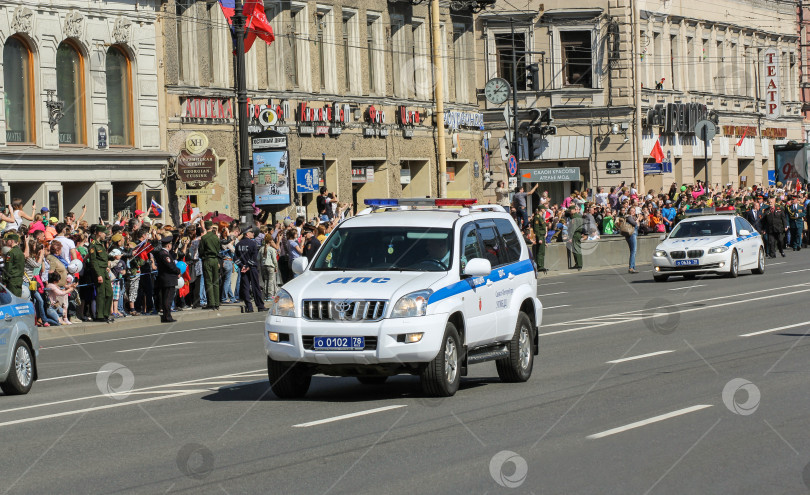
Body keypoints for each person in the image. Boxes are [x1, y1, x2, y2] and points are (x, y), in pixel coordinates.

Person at [235, 228, 265, 313]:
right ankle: (260, 306)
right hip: (252, 268)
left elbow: (235, 258)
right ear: (247, 234)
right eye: (251, 232)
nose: (253, 234)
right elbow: (254, 257)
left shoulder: (238, 244)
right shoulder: (252, 244)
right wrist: (248, 265)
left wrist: (242, 266)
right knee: (256, 287)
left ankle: (249, 307)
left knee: (246, 287)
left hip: (244, 269)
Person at [87, 225, 113, 323]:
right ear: (99, 233)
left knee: (109, 293)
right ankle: (100, 315)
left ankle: (106, 313)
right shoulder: (93, 245)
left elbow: (103, 257)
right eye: (104, 233)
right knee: (101, 293)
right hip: (99, 271)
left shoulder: (101, 243)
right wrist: (98, 274)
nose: (105, 235)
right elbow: (93, 261)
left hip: (104, 270)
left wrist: (113, 258)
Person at [154, 235, 180, 322]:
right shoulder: (164, 254)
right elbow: (170, 266)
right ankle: (167, 316)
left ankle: (167, 315)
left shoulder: (163, 253)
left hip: (167, 278)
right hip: (168, 279)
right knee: (168, 298)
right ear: (168, 245)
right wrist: (178, 271)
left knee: (167, 297)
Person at [198, 221, 221, 310]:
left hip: (207, 259)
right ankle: (217, 303)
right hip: (215, 259)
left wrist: (203, 256)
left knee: (208, 281)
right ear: (211, 227)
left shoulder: (204, 238)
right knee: (216, 282)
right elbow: (218, 249)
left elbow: (201, 250)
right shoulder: (216, 237)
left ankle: (211, 303)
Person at [3, 232, 24, 296]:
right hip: (19, 278)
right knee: (17, 297)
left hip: (12, 279)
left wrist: (4, 279)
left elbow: (8, 267)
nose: (6, 242)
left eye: (8, 240)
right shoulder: (20, 252)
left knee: (12, 298)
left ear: (12, 241)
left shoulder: (11, 253)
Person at [260, 234, 278, 300]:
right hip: (270, 266)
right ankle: (270, 296)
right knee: (270, 281)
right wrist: (276, 267)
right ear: (270, 241)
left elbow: (258, 258)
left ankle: (265, 295)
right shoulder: (271, 249)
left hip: (263, 266)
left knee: (266, 280)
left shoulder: (261, 249)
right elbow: (274, 259)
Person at [531, 206, 548, 272]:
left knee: (542, 252)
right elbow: (536, 229)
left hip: (542, 236)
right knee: (540, 252)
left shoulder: (540, 217)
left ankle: (542, 265)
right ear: (541, 209)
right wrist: (539, 238)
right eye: (544, 209)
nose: (545, 210)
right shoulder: (537, 217)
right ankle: (540, 266)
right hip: (540, 236)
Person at [567, 206, 584, 270]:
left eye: (571, 210)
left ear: (574, 210)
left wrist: (571, 236)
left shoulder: (574, 217)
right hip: (578, 233)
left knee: (576, 250)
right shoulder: (579, 216)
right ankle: (578, 264)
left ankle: (578, 264)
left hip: (575, 234)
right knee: (577, 249)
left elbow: (573, 227)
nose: (570, 211)